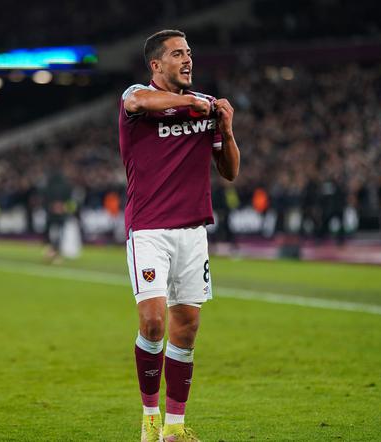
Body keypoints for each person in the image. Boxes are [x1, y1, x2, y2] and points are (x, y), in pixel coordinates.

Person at [119, 30, 240, 441]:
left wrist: (226, 126)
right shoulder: (137, 97)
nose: (187, 59)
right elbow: (139, 101)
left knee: (186, 328)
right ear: (156, 65)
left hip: (192, 232)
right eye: (177, 54)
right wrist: (191, 102)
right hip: (148, 230)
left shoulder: (203, 108)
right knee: (153, 322)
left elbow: (229, 171)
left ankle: (174, 428)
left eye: (189, 52)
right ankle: (149, 418)